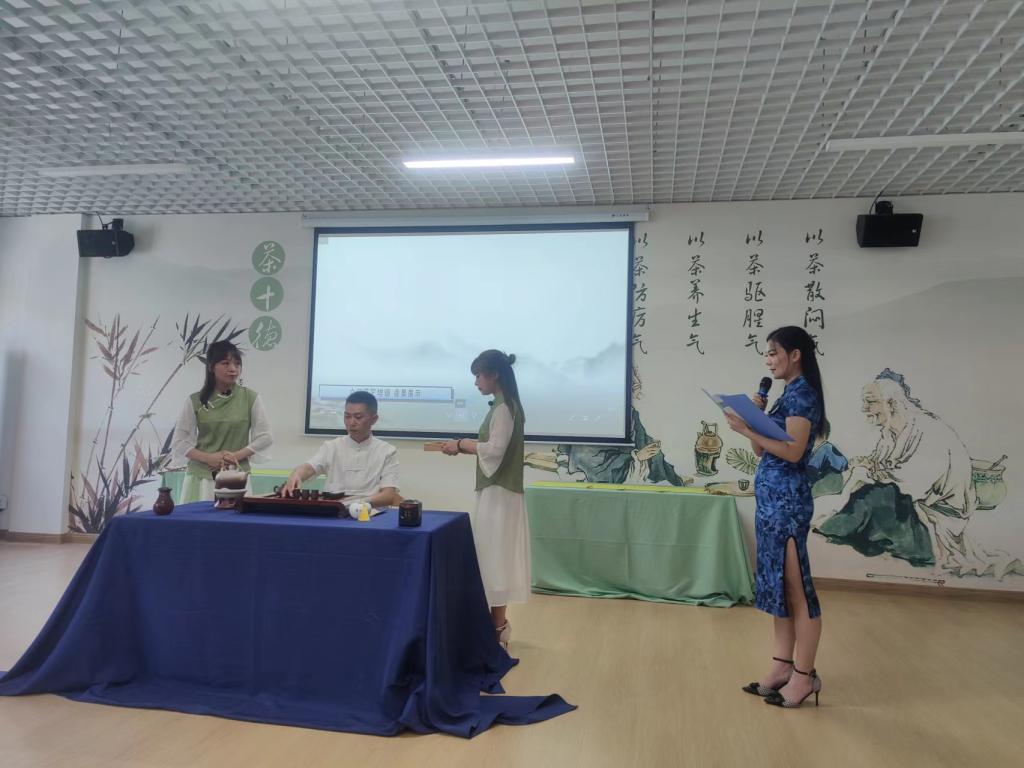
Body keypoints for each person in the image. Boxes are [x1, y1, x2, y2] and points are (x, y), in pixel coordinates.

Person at [724, 326, 825, 709]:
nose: (768, 361)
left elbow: (794, 452)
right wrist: (753, 422)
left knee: (797, 591)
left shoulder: (803, 395)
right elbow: (761, 451)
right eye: (766, 354)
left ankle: (805, 675)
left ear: (794, 354)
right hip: (771, 502)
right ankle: (782, 667)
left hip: (787, 504)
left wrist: (746, 427)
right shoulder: (785, 395)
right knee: (778, 587)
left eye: (773, 352)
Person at [442, 350, 529, 648]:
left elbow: (494, 450)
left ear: (495, 375)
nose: (476, 382)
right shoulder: (506, 405)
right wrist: (464, 446)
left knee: (495, 557)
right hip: (499, 492)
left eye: (479, 375)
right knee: (494, 557)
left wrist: (461, 444)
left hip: (499, 493)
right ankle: (495, 626)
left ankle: (498, 627)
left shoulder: (504, 408)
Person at [171, 340, 273, 503]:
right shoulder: (195, 401)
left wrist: (235, 456)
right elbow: (179, 442)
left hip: (236, 476)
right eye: (225, 363)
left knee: (236, 519)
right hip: (202, 477)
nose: (233, 369)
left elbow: (265, 437)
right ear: (211, 367)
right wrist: (208, 458)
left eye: (237, 364)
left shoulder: (250, 398)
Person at [282, 390, 400, 507]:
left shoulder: (387, 451)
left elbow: (388, 496)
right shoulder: (331, 447)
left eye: (358, 417)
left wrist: (353, 504)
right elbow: (308, 468)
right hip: (333, 512)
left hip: (371, 513)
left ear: (374, 419)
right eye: (347, 416)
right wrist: (296, 474)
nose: (351, 422)